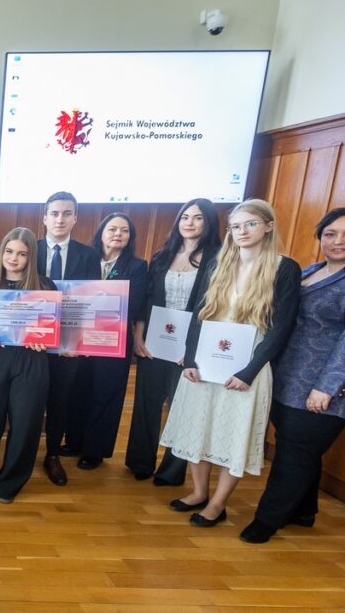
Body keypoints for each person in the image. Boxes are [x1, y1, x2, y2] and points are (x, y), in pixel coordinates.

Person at [241, 208, 345, 543]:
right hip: (289, 379)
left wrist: (326, 387)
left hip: (325, 386)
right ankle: (303, 511)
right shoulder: (313, 270)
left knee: (294, 451)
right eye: (330, 234)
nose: (338, 241)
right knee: (298, 447)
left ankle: (266, 521)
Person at [159, 199, 300, 527]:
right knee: (200, 427)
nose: (242, 232)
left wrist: (249, 372)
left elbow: (282, 327)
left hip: (249, 365)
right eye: (236, 226)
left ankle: (218, 504)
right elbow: (198, 314)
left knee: (233, 433)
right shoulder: (217, 264)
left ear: (267, 226)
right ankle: (198, 492)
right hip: (206, 360)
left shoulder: (284, 268)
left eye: (250, 224)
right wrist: (190, 360)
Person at [126, 199, 221, 485]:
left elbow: (216, 306)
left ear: (209, 223)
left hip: (191, 346)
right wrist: (138, 336)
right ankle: (140, 462)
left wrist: (193, 350)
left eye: (198, 218)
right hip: (156, 340)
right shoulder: (162, 256)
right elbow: (147, 300)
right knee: (146, 403)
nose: (189, 223)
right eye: (185, 217)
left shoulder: (218, 257)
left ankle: (171, 471)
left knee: (182, 407)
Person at [0, 227, 52, 503]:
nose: (14, 258)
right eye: (9, 251)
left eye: (22, 254)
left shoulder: (46, 286)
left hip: (31, 360)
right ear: (1, 252)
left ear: (31, 257)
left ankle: (11, 480)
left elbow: (53, 328)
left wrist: (44, 341)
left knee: (25, 423)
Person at [64, 212, 147, 470]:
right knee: (78, 391)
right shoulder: (85, 259)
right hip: (81, 338)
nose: (117, 234)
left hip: (113, 339)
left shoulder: (137, 266)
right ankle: (74, 440)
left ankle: (94, 449)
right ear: (101, 232)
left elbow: (134, 305)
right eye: (112, 229)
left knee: (105, 393)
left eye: (124, 231)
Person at [36, 191, 101, 486]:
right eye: (55, 213)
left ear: (75, 218)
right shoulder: (27, 249)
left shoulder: (88, 255)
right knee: (29, 402)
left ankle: (52, 455)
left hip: (67, 346)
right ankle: (22, 451)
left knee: (60, 402)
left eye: (66, 213)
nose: (60, 219)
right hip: (32, 342)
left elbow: (90, 302)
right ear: (45, 218)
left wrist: (78, 343)